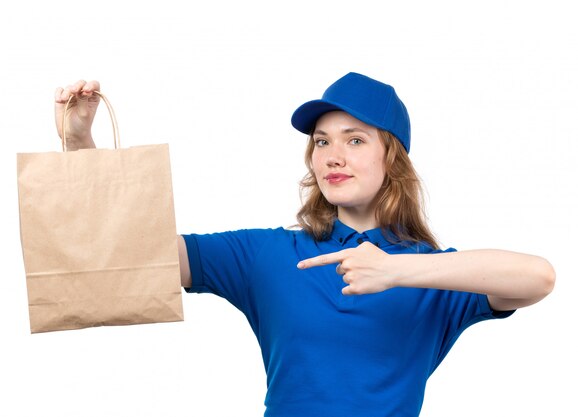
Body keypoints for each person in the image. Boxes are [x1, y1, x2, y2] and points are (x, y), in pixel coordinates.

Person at [54, 72, 556, 417]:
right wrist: (80, 145)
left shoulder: (436, 277)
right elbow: (134, 258)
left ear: (393, 159)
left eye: (355, 140)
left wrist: (398, 271)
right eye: (322, 141)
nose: (333, 156)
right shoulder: (268, 256)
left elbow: (539, 278)